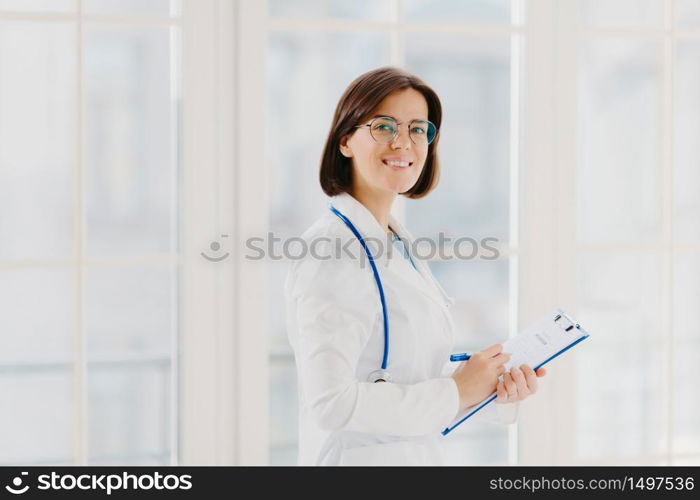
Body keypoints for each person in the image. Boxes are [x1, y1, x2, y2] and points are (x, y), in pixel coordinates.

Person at [284, 66, 546, 466]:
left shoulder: (394, 240)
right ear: (346, 141)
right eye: (385, 127)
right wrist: (458, 391)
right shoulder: (332, 250)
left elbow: (407, 375)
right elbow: (331, 402)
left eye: (418, 130)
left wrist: (489, 387)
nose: (403, 143)